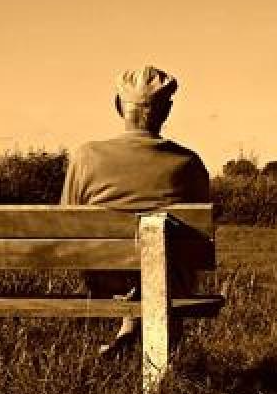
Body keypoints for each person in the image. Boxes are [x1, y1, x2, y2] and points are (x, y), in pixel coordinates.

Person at [61, 65, 211, 356]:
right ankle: (163, 362)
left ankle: (128, 330)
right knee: (169, 259)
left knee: (129, 263)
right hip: (169, 276)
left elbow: (67, 221)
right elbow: (201, 235)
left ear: (118, 106)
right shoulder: (188, 163)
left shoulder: (86, 157)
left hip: (104, 276)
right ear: (167, 111)